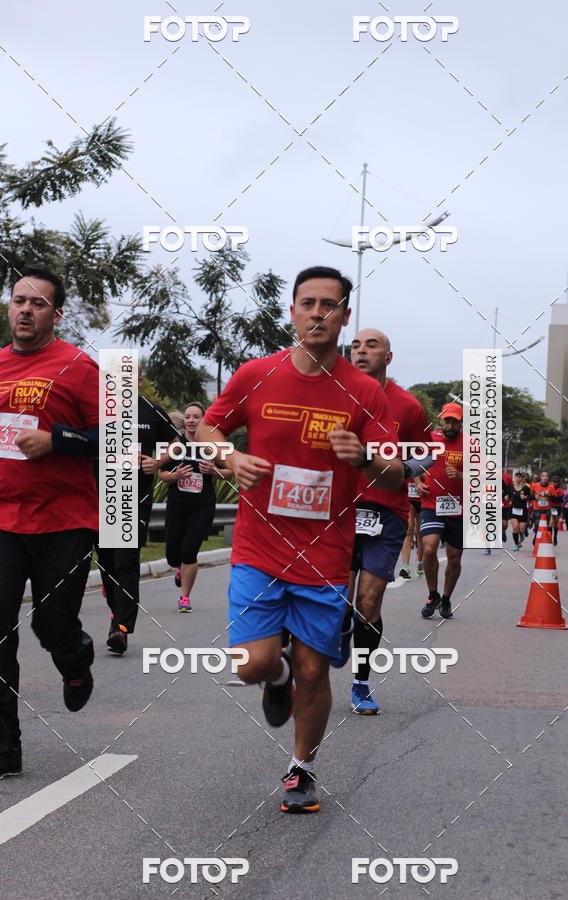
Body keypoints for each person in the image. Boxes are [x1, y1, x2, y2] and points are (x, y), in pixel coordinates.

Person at [197, 266, 404, 813]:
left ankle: (301, 769)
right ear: (292, 311)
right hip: (259, 548)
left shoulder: (365, 392)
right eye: (308, 303)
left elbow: (394, 476)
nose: (317, 313)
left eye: (328, 305)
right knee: (250, 666)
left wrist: (366, 458)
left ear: (344, 316)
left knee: (316, 670)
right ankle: (277, 673)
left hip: (325, 557)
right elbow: (208, 428)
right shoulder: (256, 374)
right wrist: (230, 457)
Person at [0, 265, 98, 779]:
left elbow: (116, 436)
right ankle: (4, 750)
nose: (25, 310)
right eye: (19, 300)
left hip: (64, 521)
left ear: (56, 314)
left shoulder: (79, 367)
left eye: (38, 303)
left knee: (50, 622)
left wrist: (56, 440)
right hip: (3, 521)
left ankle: (74, 657)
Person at [342, 328, 430, 715]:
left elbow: (428, 451)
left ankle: (361, 683)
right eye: (355, 346)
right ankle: (337, 632)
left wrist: (406, 471)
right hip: (339, 511)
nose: (361, 351)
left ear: (388, 358)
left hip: (387, 513)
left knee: (368, 601)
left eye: (371, 345)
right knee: (336, 602)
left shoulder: (407, 406)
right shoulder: (335, 397)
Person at [96, 365, 175, 653]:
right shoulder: (99, 409)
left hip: (135, 497)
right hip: (103, 495)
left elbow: (177, 443)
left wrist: (158, 461)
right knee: (107, 562)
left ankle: (121, 628)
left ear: (139, 379)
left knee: (126, 560)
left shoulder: (152, 411)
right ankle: (116, 614)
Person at [159, 402, 231, 612]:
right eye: (188, 416)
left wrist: (214, 472)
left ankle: (184, 598)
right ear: (185, 420)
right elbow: (161, 473)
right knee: (173, 555)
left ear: (203, 420)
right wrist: (176, 476)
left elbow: (229, 472)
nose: (191, 420)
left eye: (196, 417)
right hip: (177, 505)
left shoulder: (212, 445)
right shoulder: (174, 443)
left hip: (202, 506)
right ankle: (179, 568)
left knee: (189, 552)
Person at [418, 402, 464, 619]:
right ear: (441, 421)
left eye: (455, 422)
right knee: (429, 549)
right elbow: (414, 463)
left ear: (460, 423)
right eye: (447, 421)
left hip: (459, 508)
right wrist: (417, 482)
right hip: (431, 504)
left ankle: (446, 598)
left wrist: (462, 475)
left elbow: (485, 475)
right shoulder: (429, 440)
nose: (450, 425)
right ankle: (432, 594)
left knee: (454, 558)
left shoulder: (471, 444)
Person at [398, 487, 424, 579]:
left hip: (423, 498)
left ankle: (420, 561)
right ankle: (405, 566)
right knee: (408, 530)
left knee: (420, 532)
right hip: (408, 496)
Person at [507, 472, 532, 550]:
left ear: (522, 478)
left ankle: (522, 534)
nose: (518, 478)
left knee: (522, 529)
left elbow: (532, 496)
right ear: (514, 477)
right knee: (515, 528)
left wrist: (525, 497)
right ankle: (516, 544)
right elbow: (507, 495)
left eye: (519, 477)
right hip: (513, 510)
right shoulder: (511, 487)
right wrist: (506, 497)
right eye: (516, 476)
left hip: (523, 510)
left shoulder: (526, 488)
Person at [529, 472, 555, 542]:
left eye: (546, 476)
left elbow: (554, 499)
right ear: (541, 477)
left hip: (547, 509)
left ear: (548, 478)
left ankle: (544, 540)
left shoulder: (551, 487)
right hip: (537, 508)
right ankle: (536, 536)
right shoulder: (535, 485)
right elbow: (530, 496)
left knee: (546, 525)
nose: (545, 477)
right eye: (543, 476)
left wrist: (549, 495)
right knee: (537, 525)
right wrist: (535, 497)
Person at [549, 476, 564, 546]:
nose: (554, 483)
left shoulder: (560, 490)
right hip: (551, 507)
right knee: (550, 524)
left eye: (555, 482)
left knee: (555, 524)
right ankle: (550, 538)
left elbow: (560, 500)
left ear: (558, 483)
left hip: (557, 508)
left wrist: (552, 497)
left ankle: (555, 537)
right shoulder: (550, 489)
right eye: (553, 481)